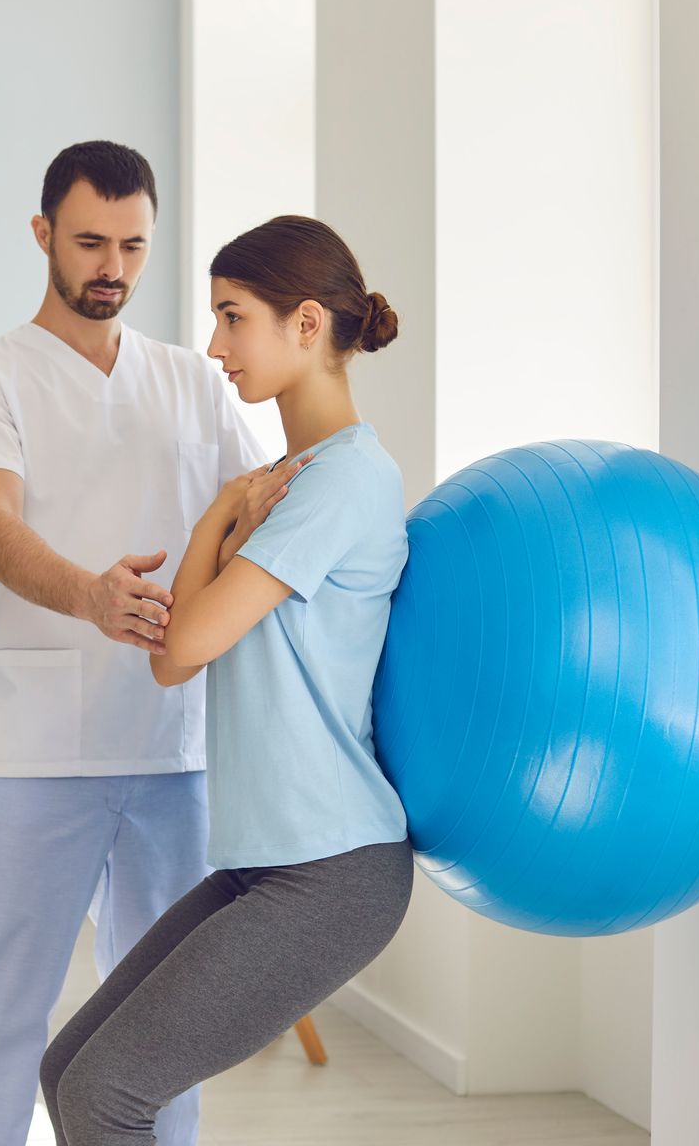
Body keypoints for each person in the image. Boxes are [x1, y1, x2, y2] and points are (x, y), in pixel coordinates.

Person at [38, 215, 414, 1146]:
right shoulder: (282, 477)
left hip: (332, 869)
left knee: (104, 1096)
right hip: (264, 862)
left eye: (233, 317)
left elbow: (189, 638)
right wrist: (219, 515)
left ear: (308, 324)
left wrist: (213, 521)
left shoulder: (343, 481)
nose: (214, 346)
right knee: (69, 1074)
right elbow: (172, 662)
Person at [0, 141, 263, 1146]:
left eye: (133, 245)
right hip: (31, 754)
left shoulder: (196, 384)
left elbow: (259, 521)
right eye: (89, 242)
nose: (111, 264)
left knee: (167, 1022)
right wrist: (93, 596)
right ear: (43, 237)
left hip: (172, 751)